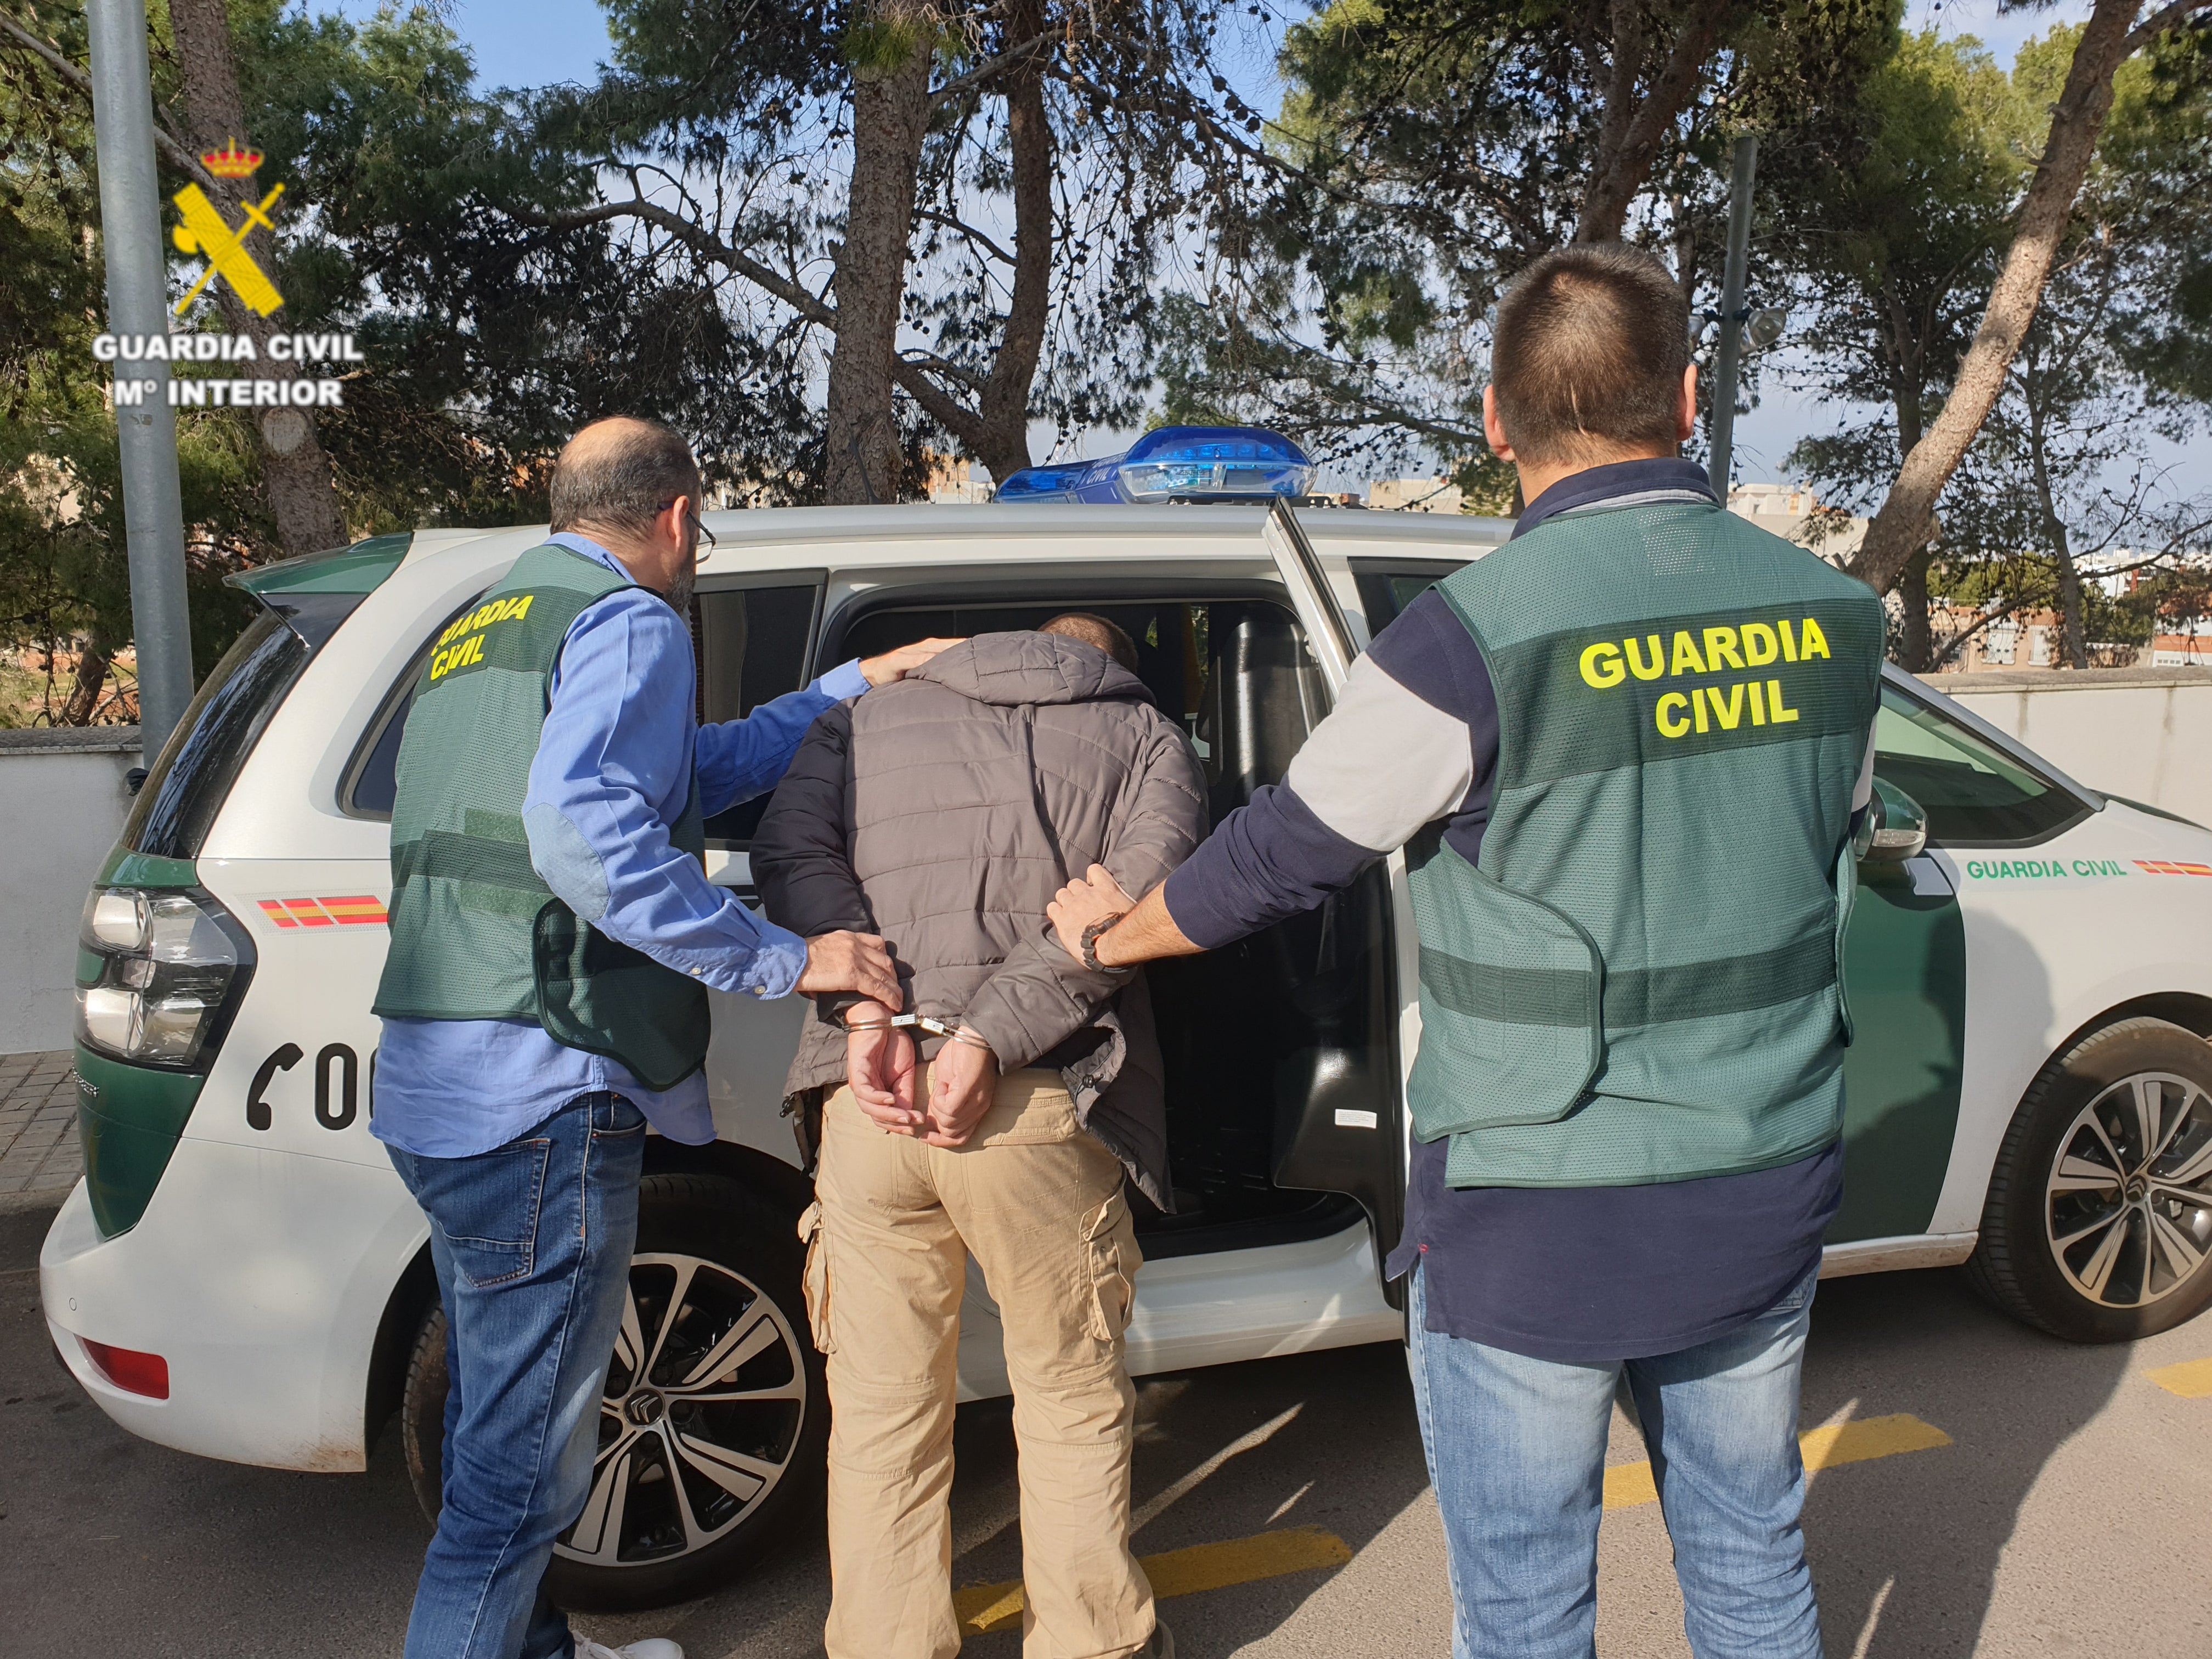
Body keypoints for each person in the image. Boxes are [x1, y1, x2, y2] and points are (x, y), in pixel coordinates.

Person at [1048, 246, 1886, 1659]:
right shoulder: (1836, 619)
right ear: (1687, 399)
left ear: (1497, 419)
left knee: (1527, 1608)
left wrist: (1109, 929)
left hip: (1537, 1200)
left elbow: (1282, 853)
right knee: (1750, 1563)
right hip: (1759, 1169)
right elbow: (1836, 831)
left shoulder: (1468, 638)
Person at [370, 416, 952, 1659]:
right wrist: (786, 958)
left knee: (495, 1424)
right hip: (543, 1084)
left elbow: (673, 773)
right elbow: (584, 832)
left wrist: (847, 691)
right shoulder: (632, 620)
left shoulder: (488, 622)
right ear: (679, 516)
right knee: (514, 1491)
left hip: (438, 1076)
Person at [753, 613, 1206, 1659]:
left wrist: (873, 1010)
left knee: (880, 1414)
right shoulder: (1145, 737)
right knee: (1068, 1393)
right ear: (1108, 668)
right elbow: (1139, 903)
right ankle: (1091, 1644)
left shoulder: (860, 718)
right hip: (1037, 1104)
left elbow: (789, 852)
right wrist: (989, 1039)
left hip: (869, 1097)